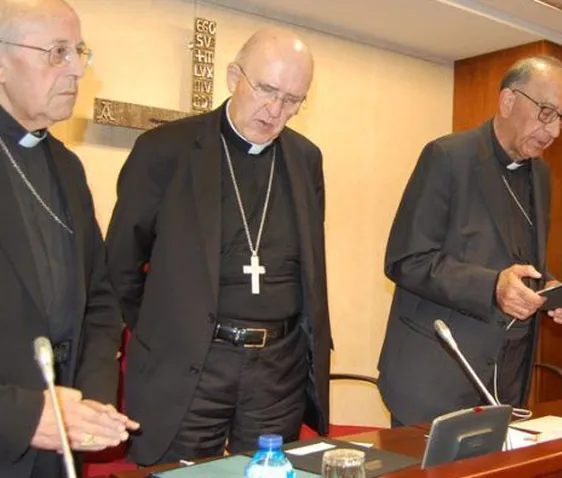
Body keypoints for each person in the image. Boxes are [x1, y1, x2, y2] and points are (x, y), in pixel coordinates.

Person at [106, 27, 330, 465]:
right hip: (191, 362)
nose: (275, 111)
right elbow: (121, 265)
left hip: (277, 370)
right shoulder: (164, 150)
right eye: (267, 90)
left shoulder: (306, 159)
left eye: (292, 100)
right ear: (233, 77)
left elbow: (308, 264)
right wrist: (169, 330)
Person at [377, 56, 562, 426]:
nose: (554, 130)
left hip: (505, 378)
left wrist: (553, 290)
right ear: (508, 101)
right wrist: (492, 287)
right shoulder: (447, 157)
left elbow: (522, 261)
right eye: (546, 112)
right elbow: (406, 259)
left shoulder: (540, 174)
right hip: (437, 375)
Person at [0, 1, 137, 476]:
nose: (78, 69)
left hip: (61, 437)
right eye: (57, 52)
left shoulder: (66, 167)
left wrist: (91, 398)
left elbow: (100, 298)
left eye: (79, 51)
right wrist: (19, 416)